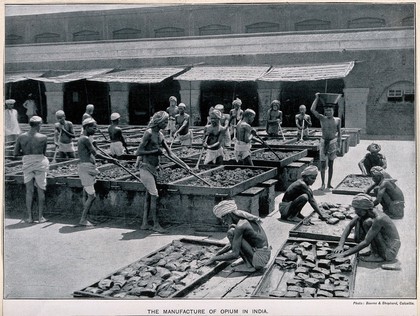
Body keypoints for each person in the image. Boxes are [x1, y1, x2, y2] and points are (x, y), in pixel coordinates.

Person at [327, 193, 401, 270]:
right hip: (386, 244)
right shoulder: (368, 211)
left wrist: (344, 254)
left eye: (357, 209)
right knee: (364, 221)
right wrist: (340, 245)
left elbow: (366, 242)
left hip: (390, 251)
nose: (355, 212)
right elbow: (349, 226)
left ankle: (378, 256)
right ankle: (375, 251)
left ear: (364, 209)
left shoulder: (379, 219)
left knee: (367, 223)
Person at [205, 200, 271, 273]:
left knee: (231, 232)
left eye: (223, 218)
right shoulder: (243, 221)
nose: (223, 221)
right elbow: (233, 244)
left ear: (229, 215)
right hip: (265, 256)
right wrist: (218, 254)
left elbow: (235, 254)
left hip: (260, 261)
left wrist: (214, 258)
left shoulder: (240, 226)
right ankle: (249, 262)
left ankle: (250, 266)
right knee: (233, 232)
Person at [135, 111, 173, 232]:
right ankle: (156, 225)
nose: (167, 124)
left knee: (148, 196)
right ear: (159, 122)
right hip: (145, 167)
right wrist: (154, 152)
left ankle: (144, 223)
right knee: (154, 195)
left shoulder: (161, 135)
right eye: (165, 122)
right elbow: (138, 152)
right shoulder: (149, 133)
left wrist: (185, 166)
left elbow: (170, 153)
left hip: (154, 169)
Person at [77, 118, 117, 226]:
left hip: (88, 167)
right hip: (86, 168)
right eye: (94, 128)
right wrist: (111, 160)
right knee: (92, 196)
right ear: (86, 127)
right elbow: (96, 154)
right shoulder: (85, 139)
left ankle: (86, 217)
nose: (96, 130)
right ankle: (83, 219)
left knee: (88, 193)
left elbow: (93, 149)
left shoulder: (85, 138)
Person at [13, 116, 49, 223]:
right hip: (40, 163)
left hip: (27, 163)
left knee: (29, 191)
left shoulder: (21, 137)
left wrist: (26, 152)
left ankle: (29, 217)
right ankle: (40, 217)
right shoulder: (43, 137)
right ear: (38, 125)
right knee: (41, 189)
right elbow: (44, 152)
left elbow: (15, 153)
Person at [311, 92, 341, 190]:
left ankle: (329, 184)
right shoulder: (322, 118)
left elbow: (339, 133)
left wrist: (339, 145)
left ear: (333, 111)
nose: (329, 112)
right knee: (323, 164)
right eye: (327, 110)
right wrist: (317, 98)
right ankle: (323, 184)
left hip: (333, 142)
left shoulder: (337, 120)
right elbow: (312, 109)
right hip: (324, 142)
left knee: (331, 164)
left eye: (330, 110)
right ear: (325, 112)